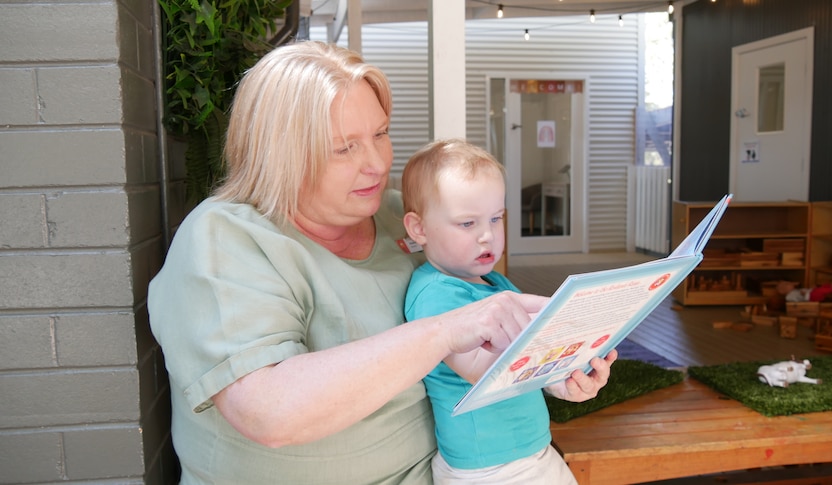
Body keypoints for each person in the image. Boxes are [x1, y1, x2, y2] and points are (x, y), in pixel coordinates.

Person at [147, 40, 616, 484]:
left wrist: (556, 369)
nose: (376, 163)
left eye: (381, 133)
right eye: (345, 147)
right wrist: (446, 329)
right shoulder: (225, 238)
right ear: (281, 156)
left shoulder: (399, 215)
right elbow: (268, 412)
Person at [401, 139, 605, 484]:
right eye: (467, 224)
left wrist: (562, 383)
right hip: (485, 468)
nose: (487, 236)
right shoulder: (435, 294)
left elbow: (528, 362)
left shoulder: (496, 284)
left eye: (496, 219)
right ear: (419, 229)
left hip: (531, 452)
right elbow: (485, 372)